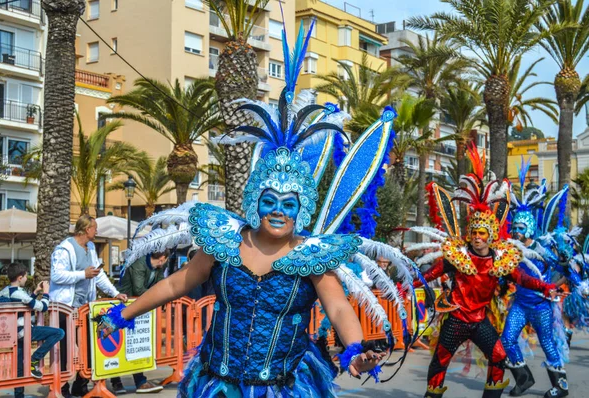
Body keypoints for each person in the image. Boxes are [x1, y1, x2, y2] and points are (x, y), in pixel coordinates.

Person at [91, 15, 424, 397]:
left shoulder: (311, 257)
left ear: (301, 208)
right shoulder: (225, 242)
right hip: (218, 384)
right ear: (255, 201)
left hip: (281, 387)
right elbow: (175, 284)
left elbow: (339, 308)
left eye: (288, 203)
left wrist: (353, 349)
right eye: (269, 200)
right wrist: (122, 314)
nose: (278, 210)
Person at [408, 144, 561, 398]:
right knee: (440, 361)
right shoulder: (458, 256)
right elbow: (431, 274)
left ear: (490, 237)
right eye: (474, 233)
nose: (477, 238)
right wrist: (408, 284)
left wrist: (545, 286)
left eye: (482, 234)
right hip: (456, 320)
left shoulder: (499, 260)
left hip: (479, 321)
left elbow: (521, 278)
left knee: (499, 355)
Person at [501, 165, 571, 398]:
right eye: (515, 227)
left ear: (529, 228)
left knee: (548, 344)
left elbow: (564, 270)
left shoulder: (541, 249)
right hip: (520, 304)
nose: (517, 231)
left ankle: (561, 387)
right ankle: (524, 379)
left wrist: (554, 286)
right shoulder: (511, 249)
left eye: (521, 228)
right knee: (507, 340)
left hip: (541, 305)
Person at [51, 215, 127, 398]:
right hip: (65, 307)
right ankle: (61, 388)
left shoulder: (91, 247)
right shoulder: (64, 249)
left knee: (88, 346)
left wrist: (114, 292)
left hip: (85, 307)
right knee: (65, 349)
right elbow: (56, 276)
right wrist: (82, 274)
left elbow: (98, 275)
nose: (97, 231)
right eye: (95, 228)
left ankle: (81, 383)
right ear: (87, 229)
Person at [0, 263, 65, 398]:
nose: (27, 278)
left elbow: (25, 303)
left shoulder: (7, 291)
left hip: (14, 332)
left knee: (19, 367)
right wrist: (46, 292)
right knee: (59, 333)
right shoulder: (17, 293)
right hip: (24, 331)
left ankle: (19, 395)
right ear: (20, 277)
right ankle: (35, 359)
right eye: (26, 276)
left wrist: (35, 292)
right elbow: (43, 307)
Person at [110, 251, 170, 394]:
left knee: (136, 345)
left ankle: (140, 381)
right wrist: (158, 296)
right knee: (118, 344)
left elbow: (161, 283)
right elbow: (138, 289)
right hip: (124, 304)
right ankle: (116, 381)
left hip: (139, 306)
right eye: (164, 261)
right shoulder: (139, 263)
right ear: (161, 258)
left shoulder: (160, 266)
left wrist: (162, 294)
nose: (163, 264)